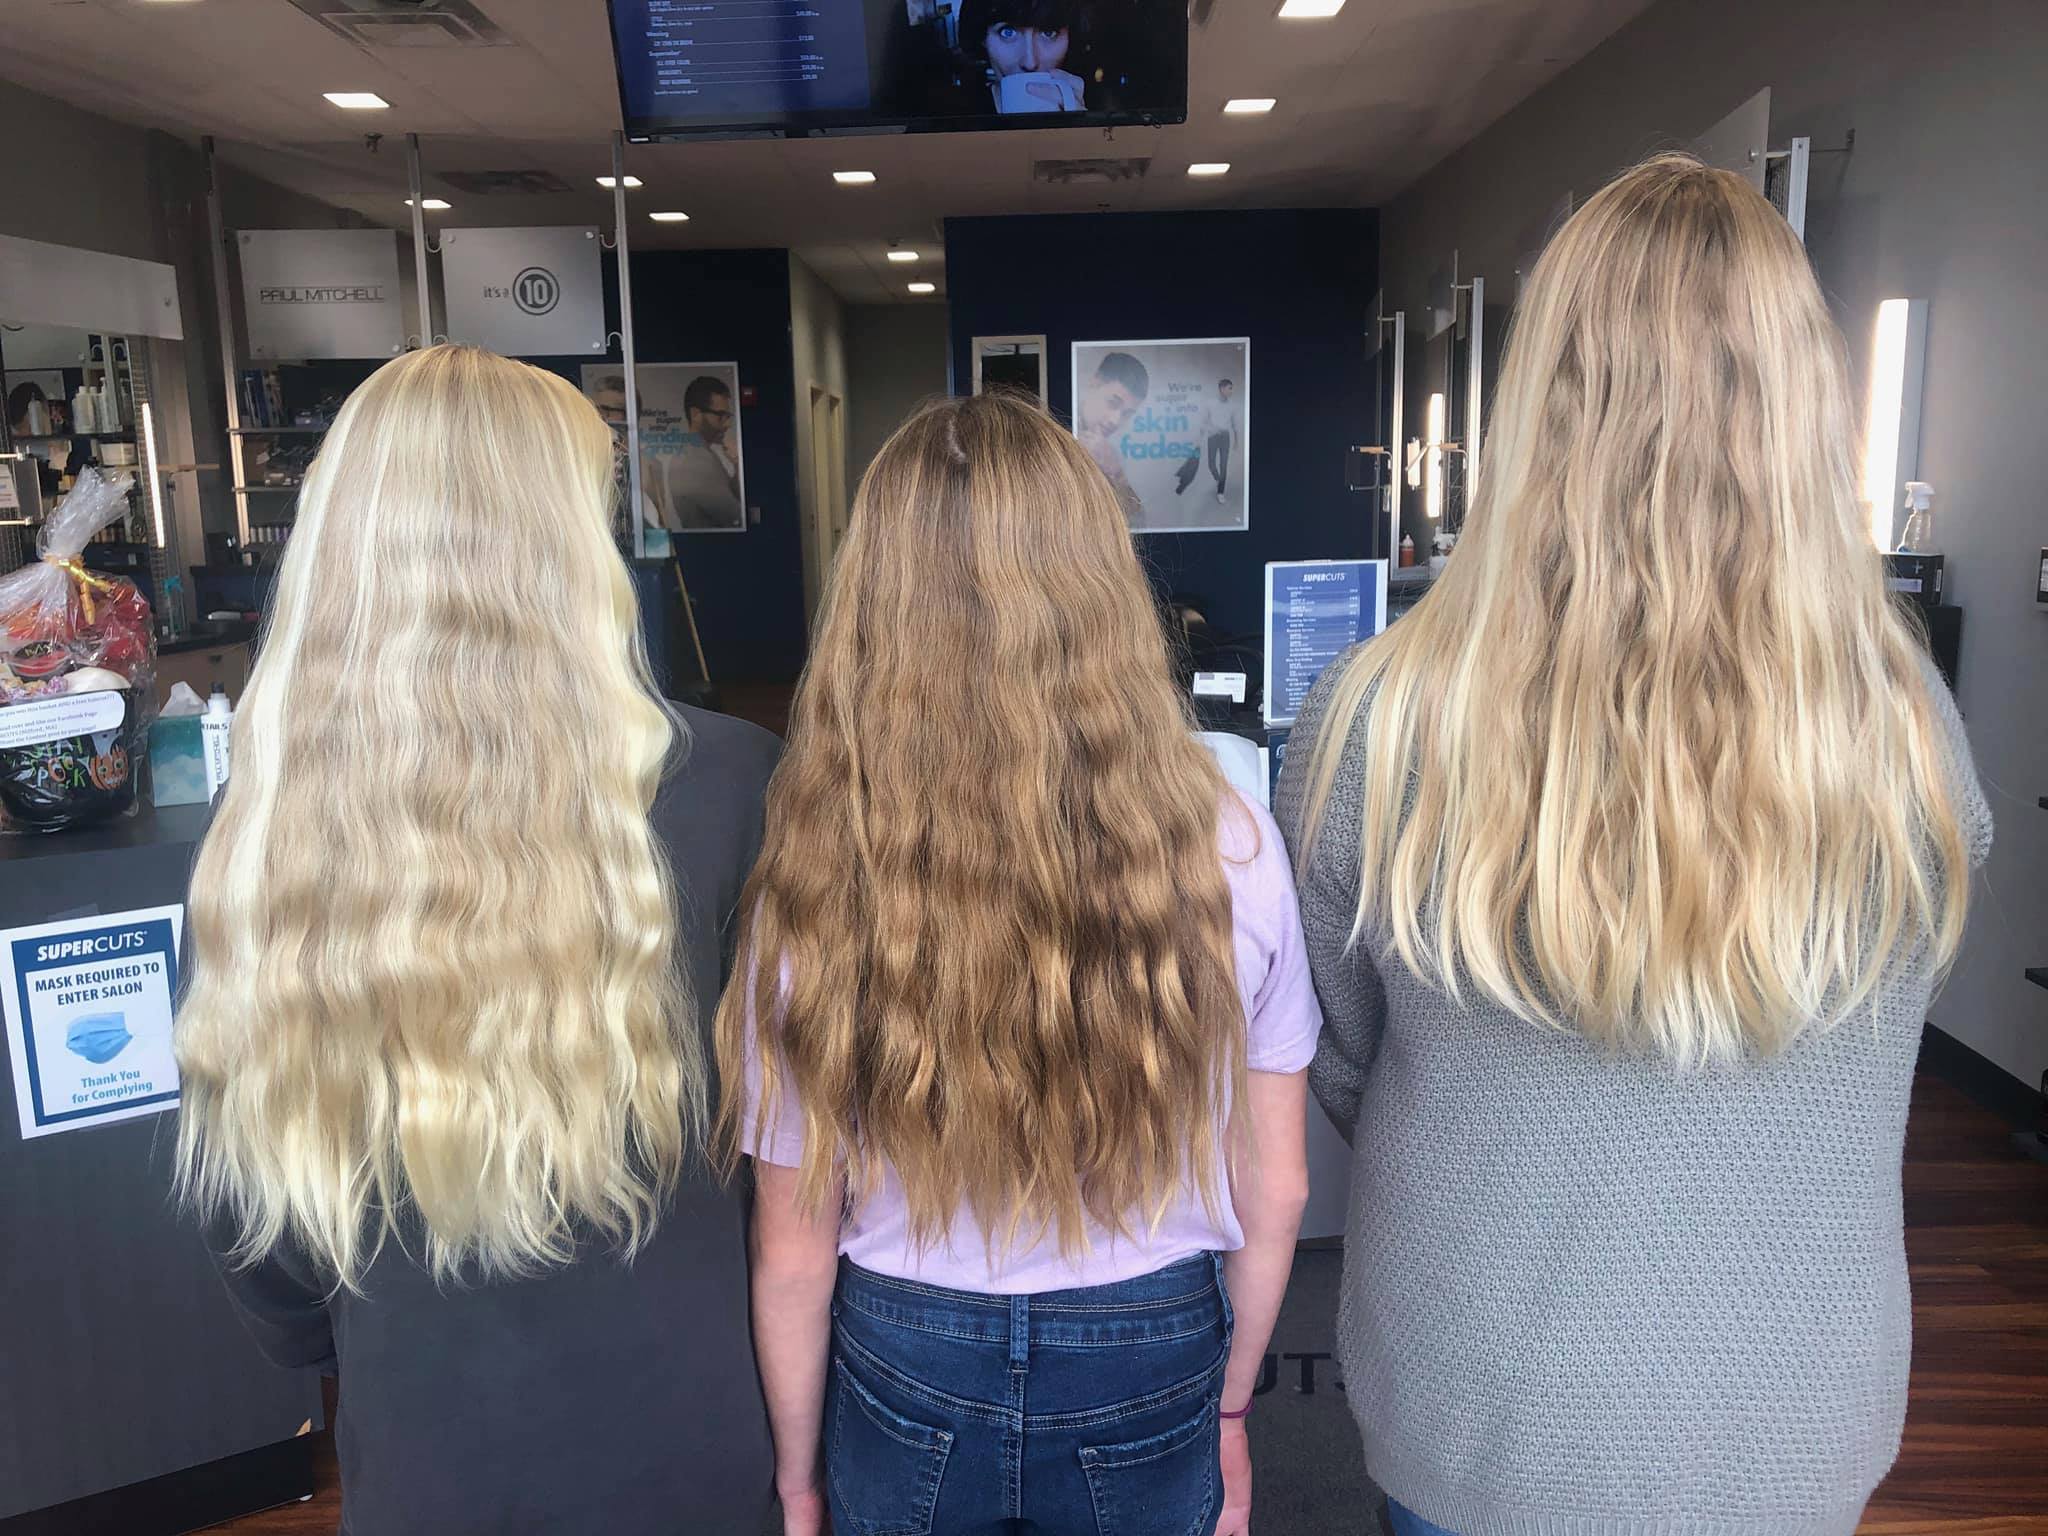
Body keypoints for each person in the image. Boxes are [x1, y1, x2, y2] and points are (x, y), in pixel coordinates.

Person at [1277, 153, 1991, 1536]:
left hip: (1480, 1400)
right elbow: (1887, 1020)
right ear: (1803, 403)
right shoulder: (1910, 732)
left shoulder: (1376, 720)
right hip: (1788, 1412)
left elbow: (1353, 1062)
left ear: (1536, 397)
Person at [172, 344, 781, 1536]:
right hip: (695, 1430)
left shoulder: (266, 834)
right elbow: (797, 1161)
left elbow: (258, 1235)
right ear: (568, 544)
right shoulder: (729, 785)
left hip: (427, 1453)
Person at [721, 390, 1318, 1536]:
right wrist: (1232, 1408)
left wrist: (798, 1479)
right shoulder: (1230, 843)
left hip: (905, 1344)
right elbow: (1276, 1186)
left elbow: (792, 1245)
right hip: (1149, 1337)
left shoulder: (818, 865)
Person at [959, 0, 1086, 112]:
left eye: (1048, 32)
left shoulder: (1093, 104)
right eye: (1007, 32)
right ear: (982, 38)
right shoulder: (959, 114)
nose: (1030, 63)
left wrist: (1078, 126)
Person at [1076, 348, 1148, 521]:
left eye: (1126, 414)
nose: (1115, 420)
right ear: (1094, 384)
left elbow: (1137, 524)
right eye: (1113, 403)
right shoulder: (1054, 431)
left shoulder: (1111, 456)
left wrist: (1116, 474)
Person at [668, 373, 743, 529]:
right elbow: (736, 518)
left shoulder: (701, 453)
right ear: (696, 414)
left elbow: (731, 495)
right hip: (712, 542)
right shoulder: (695, 462)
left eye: (728, 416)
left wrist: (737, 464)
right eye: (721, 416)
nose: (728, 424)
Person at [1205, 378, 1239, 505]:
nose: (1231, 391)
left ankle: (1220, 492)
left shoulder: (1232, 406)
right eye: (1229, 388)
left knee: (1223, 465)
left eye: (1231, 388)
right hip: (1213, 436)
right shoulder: (1210, 403)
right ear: (1222, 389)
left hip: (1225, 437)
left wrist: (1236, 441)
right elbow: (1204, 421)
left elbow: (1235, 424)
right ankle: (1219, 480)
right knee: (1211, 464)